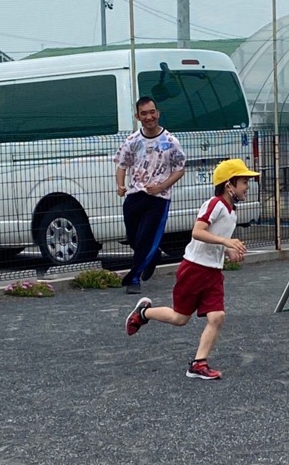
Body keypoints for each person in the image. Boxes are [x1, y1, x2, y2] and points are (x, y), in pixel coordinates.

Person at [124, 159, 260, 380]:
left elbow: (216, 240)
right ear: (229, 185)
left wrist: (229, 252)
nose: (247, 186)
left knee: (217, 317)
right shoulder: (214, 204)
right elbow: (197, 232)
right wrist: (227, 243)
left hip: (213, 273)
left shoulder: (232, 212)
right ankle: (144, 313)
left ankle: (198, 364)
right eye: (244, 181)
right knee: (180, 318)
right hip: (194, 269)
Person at [113, 97, 186, 294]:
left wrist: (161, 186)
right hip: (135, 195)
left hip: (158, 199)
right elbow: (121, 166)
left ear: (158, 113)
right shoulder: (132, 141)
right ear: (138, 116)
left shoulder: (170, 141)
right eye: (144, 113)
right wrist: (120, 186)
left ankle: (133, 278)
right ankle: (153, 257)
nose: (149, 117)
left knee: (147, 237)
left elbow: (180, 169)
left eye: (152, 112)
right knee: (134, 238)